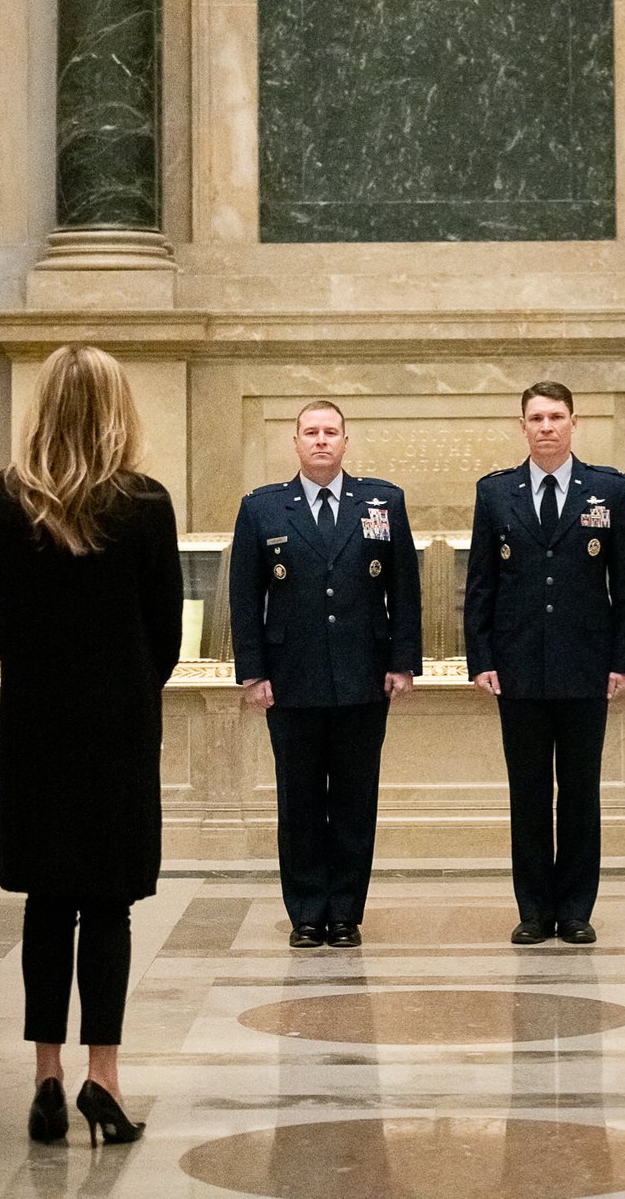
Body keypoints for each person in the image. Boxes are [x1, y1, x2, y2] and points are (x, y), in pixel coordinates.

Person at [0, 345, 181, 1151]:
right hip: (118, 729)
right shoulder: (146, 502)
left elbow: (2, 618)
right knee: (108, 904)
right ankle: (105, 1076)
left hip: (36, 725)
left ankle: (45, 1078)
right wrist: (126, 684)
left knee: (46, 901)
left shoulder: (7, 498)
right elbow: (166, 632)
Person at [227, 399, 421, 950]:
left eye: (330, 432)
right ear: (295, 443)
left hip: (364, 677)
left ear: (345, 441)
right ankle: (307, 913)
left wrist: (401, 662)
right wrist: (253, 673)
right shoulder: (263, 508)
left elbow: (404, 589)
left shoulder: (382, 501)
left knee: (356, 801)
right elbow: (245, 597)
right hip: (291, 680)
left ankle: (345, 913)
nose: (320, 441)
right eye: (310, 432)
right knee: (300, 800)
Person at [464, 381, 625, 945]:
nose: (546, 427)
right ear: (523, 427)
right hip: (516, 669)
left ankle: (577, 908)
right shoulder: (496, 494)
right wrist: (481, 658)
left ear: (573, 423)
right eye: (536, 418)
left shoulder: (608, 491)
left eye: (556, 417)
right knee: (530, 792)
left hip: (586, 667)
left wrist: (622, 659)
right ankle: (535, 909)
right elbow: (481, 586)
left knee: (581, 791)